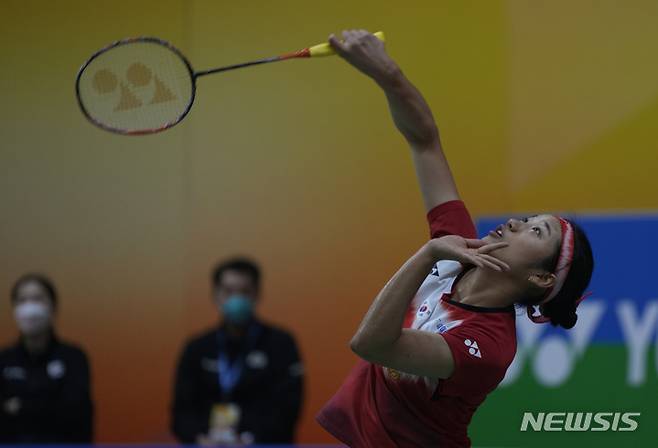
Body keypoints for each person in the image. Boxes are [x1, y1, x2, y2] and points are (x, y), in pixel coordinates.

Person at [316, 30, 594, 447]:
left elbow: (371, 343)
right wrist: (387, 73)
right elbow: (425, 141)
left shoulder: (488, 346)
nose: (516, 224)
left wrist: (429, 252)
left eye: (537, 230)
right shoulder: (459, 249)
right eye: (526, 218)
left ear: (541, 279)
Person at [171, 257, 304, 445]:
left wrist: (248, 440)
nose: (237, 299)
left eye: (244, 292)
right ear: (215, 295)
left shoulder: (281, 344)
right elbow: (181, 411)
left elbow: (288, 409)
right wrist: (201, 439)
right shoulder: (196, 348)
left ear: (257, 294)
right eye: (228, 291)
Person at [0, 274, 94, 443]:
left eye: (37, 299)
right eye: (22, 300)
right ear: (14, 309)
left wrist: (20, 407)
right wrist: (47, 402)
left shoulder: (73, 358)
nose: (29, 307)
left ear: (53, 307)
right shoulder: (4, 361)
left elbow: (75, 412)